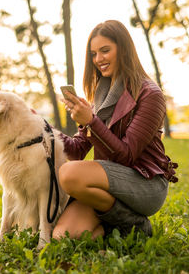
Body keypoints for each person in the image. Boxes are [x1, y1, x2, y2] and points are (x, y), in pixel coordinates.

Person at [53, 20, 178, 240]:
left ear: (124, 49)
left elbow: (127, 156)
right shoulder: (99, 97)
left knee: (69, 173)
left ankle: (134, 222)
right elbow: (76, 150)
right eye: (94, 53)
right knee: (62, 236)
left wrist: (91, 122)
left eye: (105, 50)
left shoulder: (150, 94)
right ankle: (120, 228)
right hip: (107, 184)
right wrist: (42, 127)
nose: (98, 59)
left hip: (145, 183)